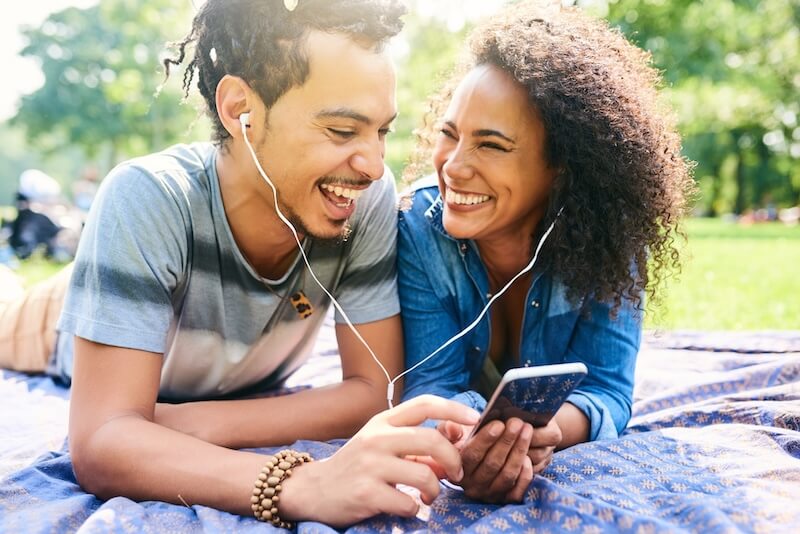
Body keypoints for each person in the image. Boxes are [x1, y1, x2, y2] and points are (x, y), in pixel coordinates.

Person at [0, 0, 479, 527]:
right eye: (343, 131)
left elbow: (374, 393)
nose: (371, 164)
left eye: (382, 131)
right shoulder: (149, 199)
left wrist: (195, 423)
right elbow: (100, 442)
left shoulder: (362, 204)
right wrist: (302, 483)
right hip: (52, 318)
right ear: (240, 109)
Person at [397, 1, 695, 503]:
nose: (453, 167)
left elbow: (608, 391)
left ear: (562, 167)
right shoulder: (419, 225)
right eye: (449, 134)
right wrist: (466, 443)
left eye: (491, 145)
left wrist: (548, 433)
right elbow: (430, 386)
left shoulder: (610, 236)